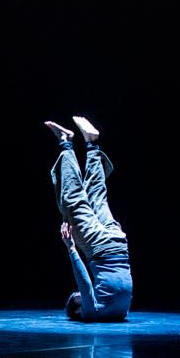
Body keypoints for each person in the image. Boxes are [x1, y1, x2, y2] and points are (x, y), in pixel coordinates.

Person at [44, 116, 133, 322]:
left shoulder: (121, 312)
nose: (80, 294)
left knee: (97, 197)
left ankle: (92, 145)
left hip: (119, 243)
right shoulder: (91, 312)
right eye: (78, 298)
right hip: (100, 248)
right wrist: (71, 249)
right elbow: (84, 283)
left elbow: (120, 288)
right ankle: (66, 142)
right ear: (78, 310)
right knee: (72, 202)